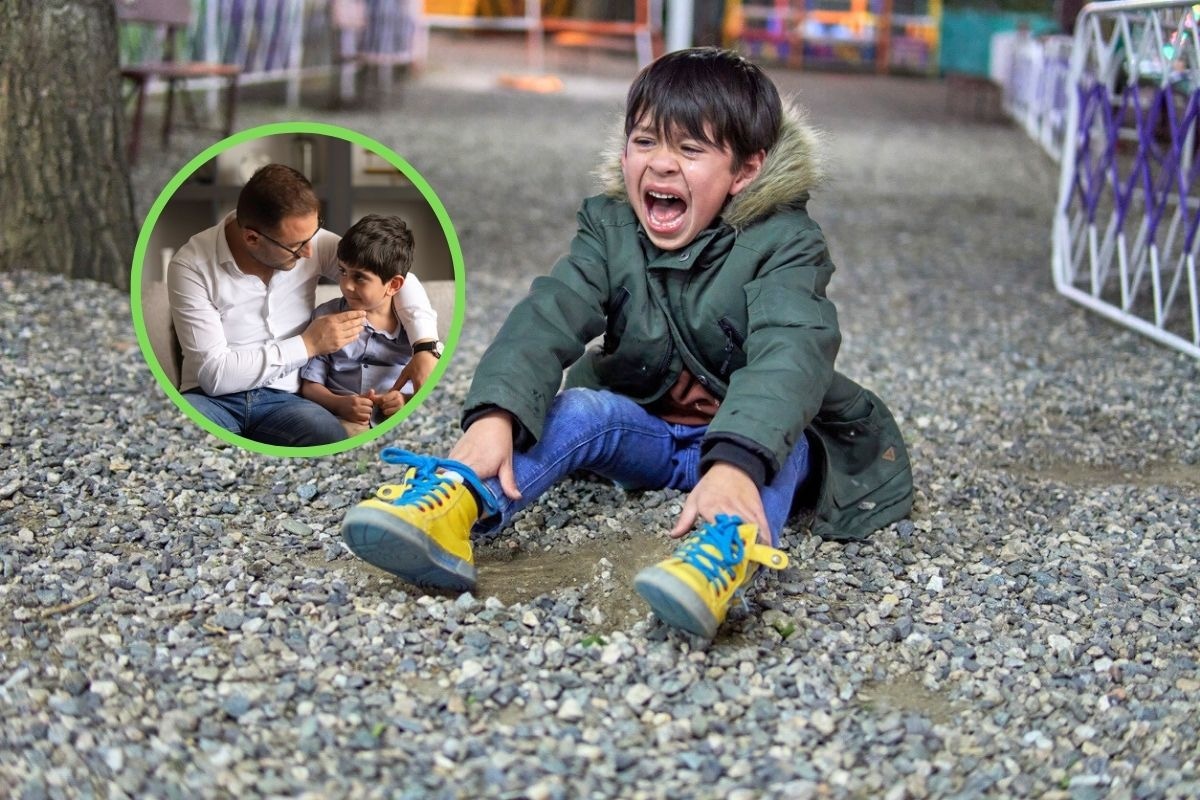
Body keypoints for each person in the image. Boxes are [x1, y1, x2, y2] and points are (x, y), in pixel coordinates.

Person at [340, 48, 913, 638]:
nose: (662, 165)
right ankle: (457, 504)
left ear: (745, 171)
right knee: (580, 409)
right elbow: (549, 315)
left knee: (786, 451)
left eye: (690, 150)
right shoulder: (612, 228)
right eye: (645, 142)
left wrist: (739, 462)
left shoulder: (785, 242)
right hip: (652, 429)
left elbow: (790, 353)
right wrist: (496, 412)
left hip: (747, 444)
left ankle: (719, 559)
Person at [168, 164, 441, 446]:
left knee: (328, 437)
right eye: (298, 246)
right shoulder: (191, 266)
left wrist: (425, 347)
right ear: (252, 238)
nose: (311, 251)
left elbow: (396, 280)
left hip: (286, 401)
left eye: (314, 235)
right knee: (181, 434)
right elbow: (215, 376)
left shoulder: (304, 240)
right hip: (211, 400)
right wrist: (308, 344)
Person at [300, 214, 439, 438]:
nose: (346, 285)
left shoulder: (413, 333)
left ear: (393, 284)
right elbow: (309, 385)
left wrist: (405, 401)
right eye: (342, 271)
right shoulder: (326, 317)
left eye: (360, 278)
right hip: (337, 419)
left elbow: (428, 386)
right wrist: (339, 404)